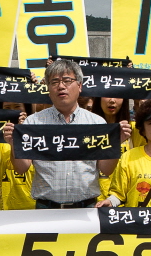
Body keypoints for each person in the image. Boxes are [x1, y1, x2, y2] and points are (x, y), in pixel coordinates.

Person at [15, 59, 116, 208]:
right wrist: (13, 143)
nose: (61, 86)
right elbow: (21, 168)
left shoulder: (96, 123)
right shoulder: (33, 123)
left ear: (80, 86)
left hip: (86, 207)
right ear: (48, 89)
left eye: (67, 81)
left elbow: (106, 169)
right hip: (47, 208)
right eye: (54, 82)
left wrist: (115, 142)